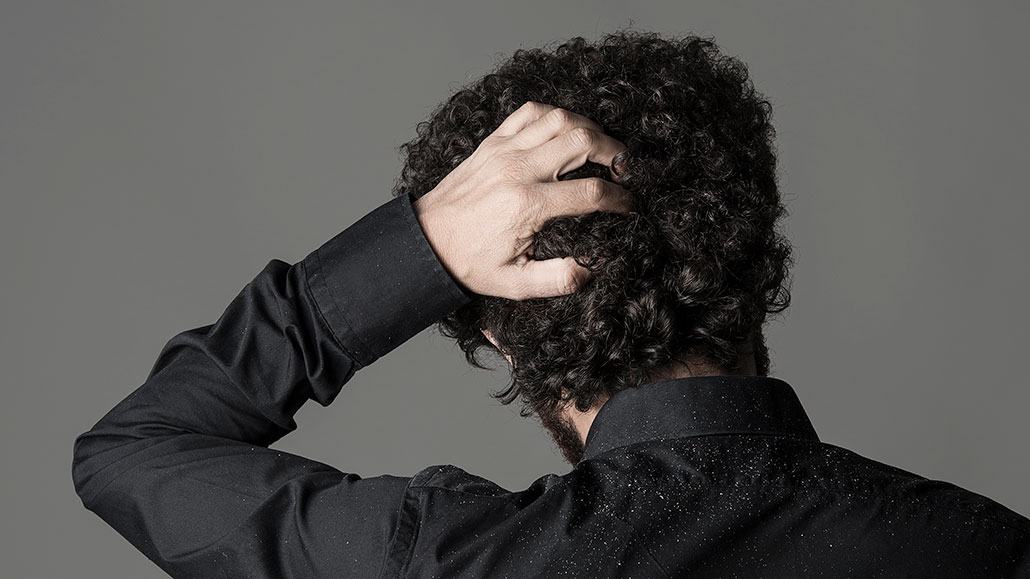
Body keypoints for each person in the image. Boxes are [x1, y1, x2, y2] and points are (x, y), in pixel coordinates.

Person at [72, 30, 1029, 578]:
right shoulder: (989, 549)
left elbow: (133, 450)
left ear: (495, 324)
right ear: (744, 257)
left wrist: (420, 250)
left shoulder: (448, 561)